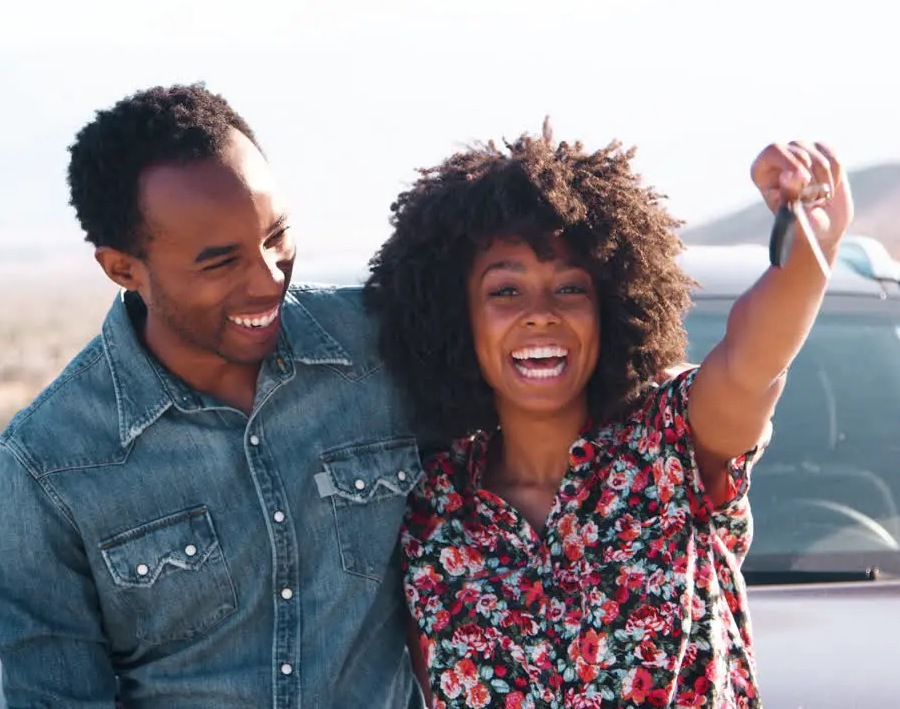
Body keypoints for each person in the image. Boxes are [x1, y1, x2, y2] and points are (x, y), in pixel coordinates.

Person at [362, 122, 853, 708]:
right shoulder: (430, 510)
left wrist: (806, 254)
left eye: (570, 289)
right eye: (506, 292)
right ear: (455, 318)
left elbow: (754, 363)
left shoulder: (670, 446)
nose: (540, 314)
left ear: (611, 308)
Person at [0, 83, 429, 708]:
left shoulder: (386, 351)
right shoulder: (49, 463)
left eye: (276, 236)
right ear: (122, 268)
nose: (268, 279)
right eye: (220, 262)